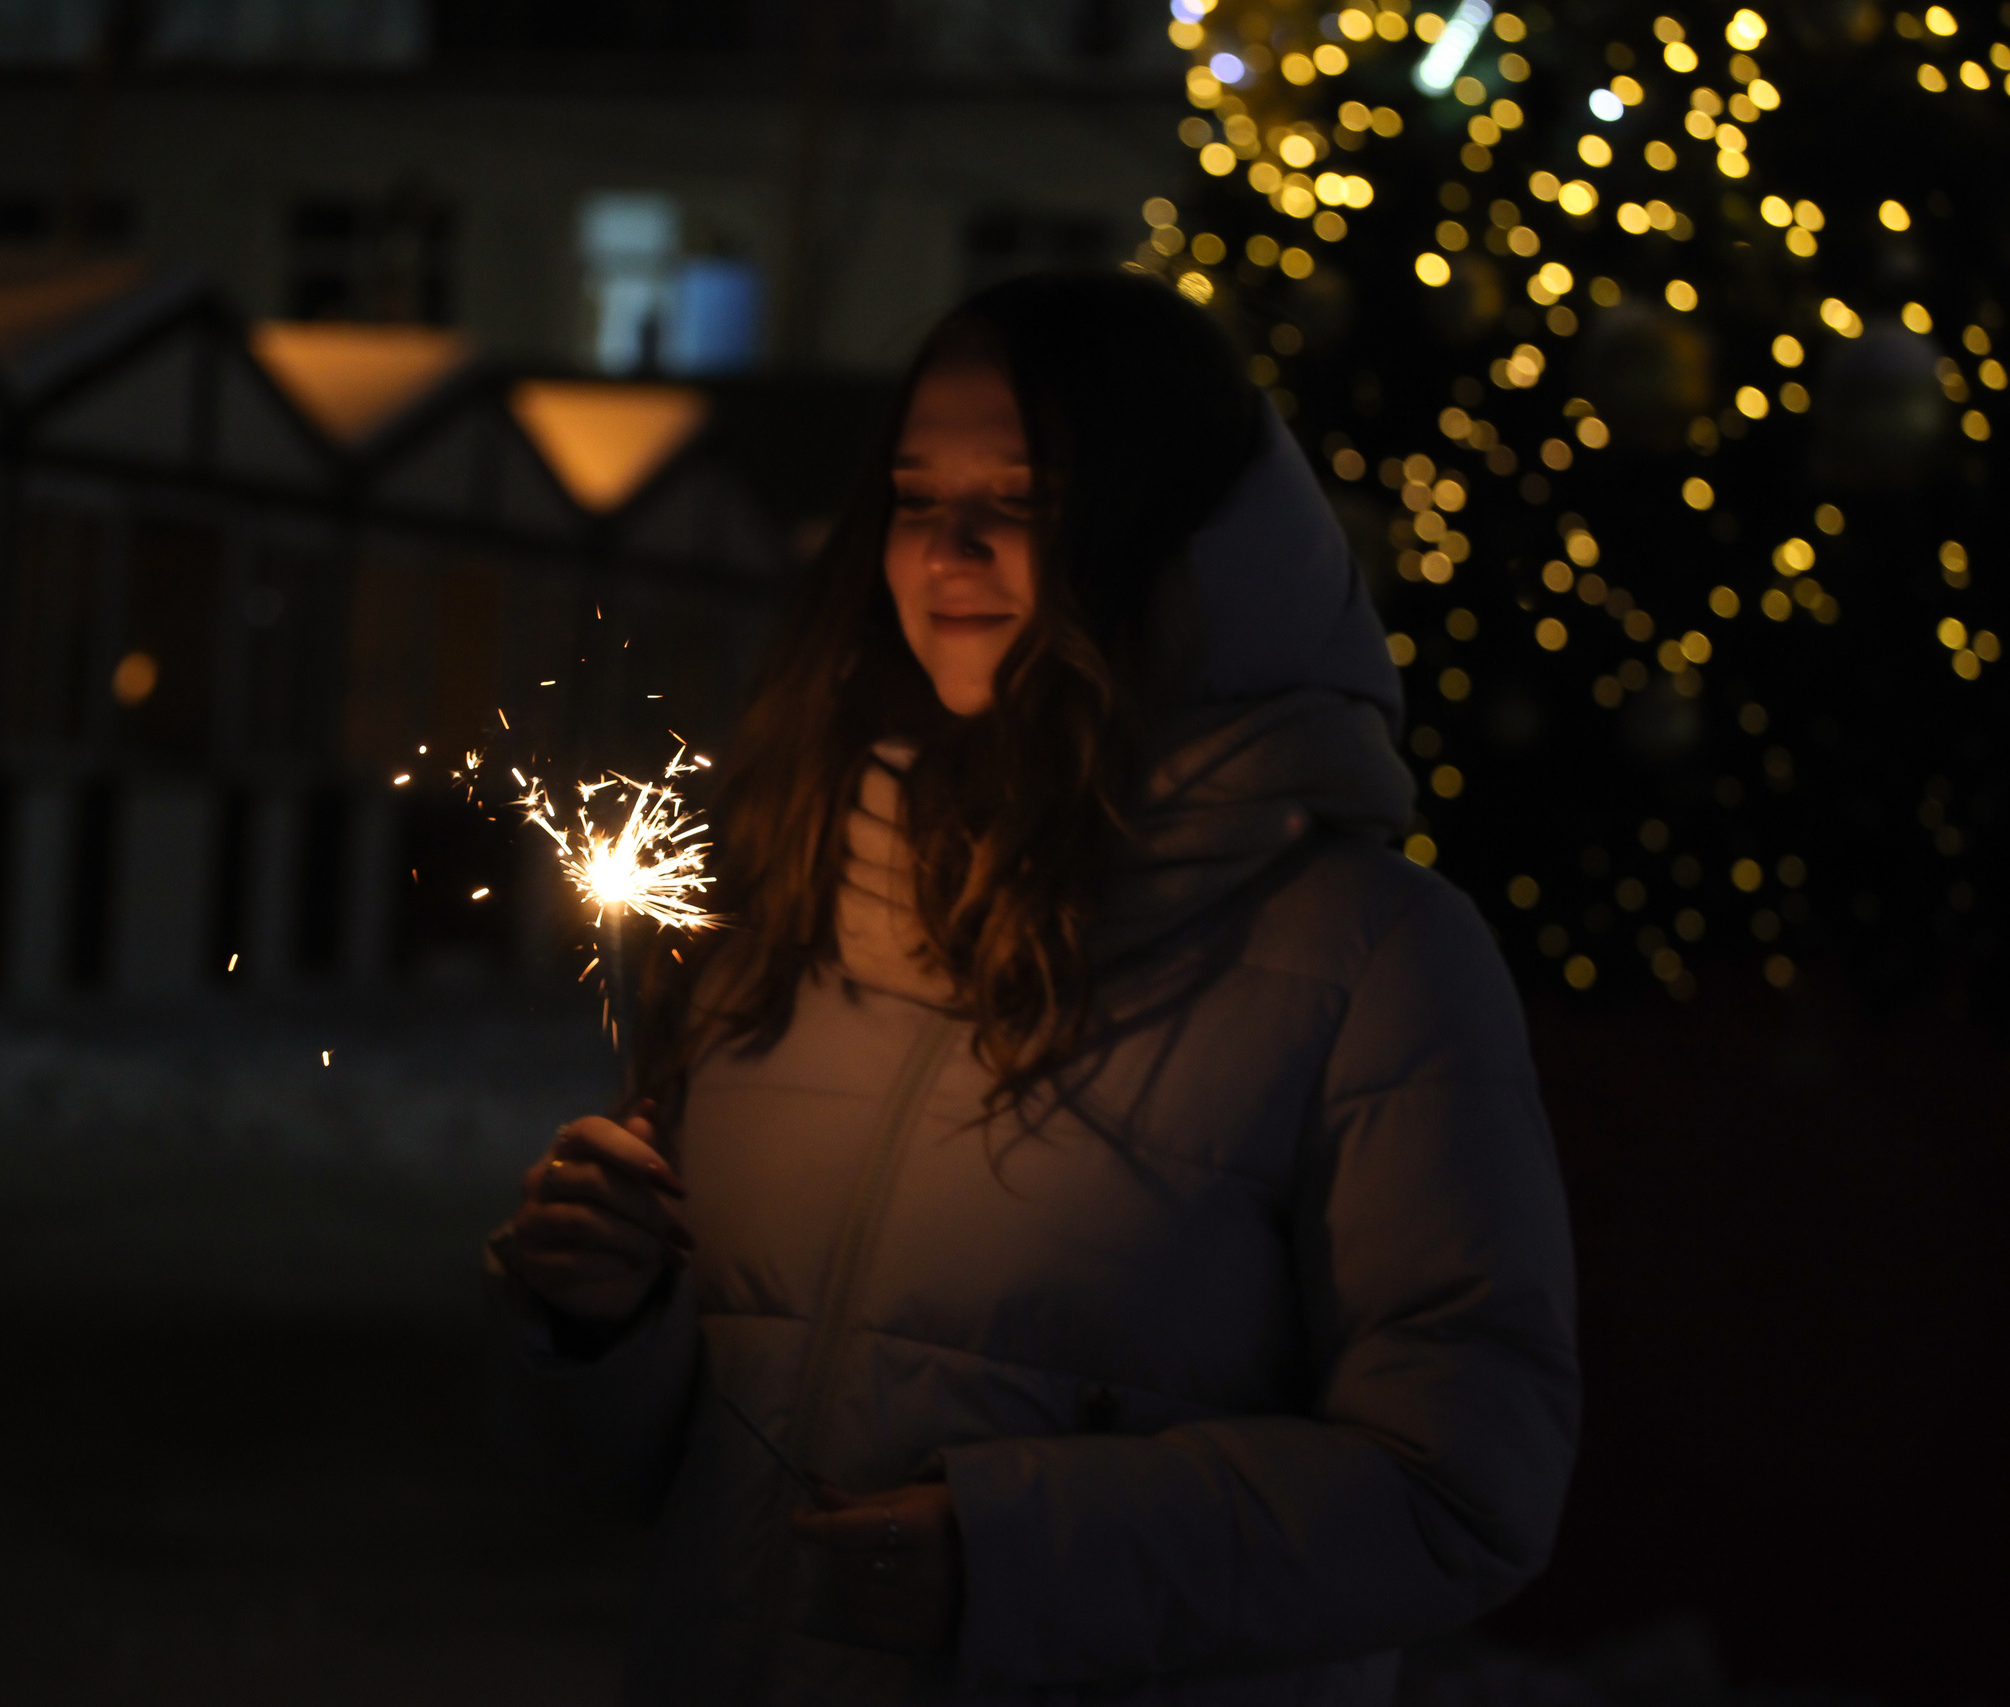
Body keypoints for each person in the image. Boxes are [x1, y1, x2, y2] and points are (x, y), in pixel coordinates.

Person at [487, 271, 1578, 1705]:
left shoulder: (1370, 961)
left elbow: (1462, 1492)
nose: (951, 545)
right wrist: (605, 1319)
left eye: (1029, 497)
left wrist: (1023, 1558)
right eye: (914, 492)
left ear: (1190, 543)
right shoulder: (796, 907)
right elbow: (646, 1478)